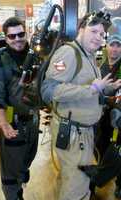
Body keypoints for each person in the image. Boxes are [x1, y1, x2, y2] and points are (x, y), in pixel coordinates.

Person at [41, 11, 121, 200]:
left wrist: (105, 89)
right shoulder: (69, 53)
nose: (98, 38)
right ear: (81, 29)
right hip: (73, 134)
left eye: (102, 35)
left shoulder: (89, 55)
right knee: (76, 186)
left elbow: (87, 89)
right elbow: (49, 90)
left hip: (82, 133)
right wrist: (92, 89)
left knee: (71, 181)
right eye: (94, 31)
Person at [0, 17, 39, 200]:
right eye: (12, 36)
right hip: (13, 125)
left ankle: (21, 179)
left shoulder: (35, 58)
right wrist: (3, 123)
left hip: (33, 123)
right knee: (10, 175)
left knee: (25, 162)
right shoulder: (0, 64)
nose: (17, 39)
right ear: (6, 38)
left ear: (26, 33)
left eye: (21, 34)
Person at [84, 17, 121, 198]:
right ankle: (92, 184)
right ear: (107, 47)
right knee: (100, 148)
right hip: (101, 118)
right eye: (112, 45)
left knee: (117, 153)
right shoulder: (100, 67)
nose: (114, 49)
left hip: (118, 120)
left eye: (118, 46)